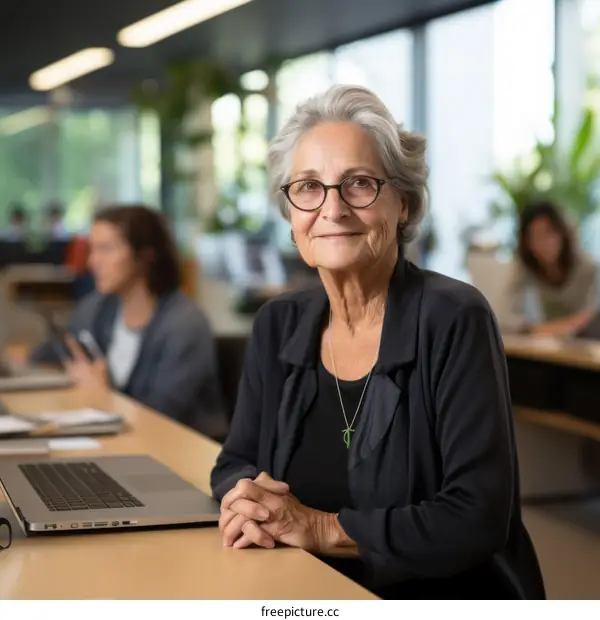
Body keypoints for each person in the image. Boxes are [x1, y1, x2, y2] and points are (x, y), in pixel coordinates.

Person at [210, 85, 545, 600]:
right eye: (307, 187)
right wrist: (248, 504)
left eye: (359, 184)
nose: (332, 208)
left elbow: (474, 517)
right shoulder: (277, 323)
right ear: (291, 212)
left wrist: (320, 529)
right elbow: (234, 463)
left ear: (404, 204)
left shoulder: (454, 317)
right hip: (302, 592)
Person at [31, 204, 227, 440]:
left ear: (145, 255)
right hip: (123, 446)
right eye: (92, 249)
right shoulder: (98, 307)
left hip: (179, 454)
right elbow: (50, 352)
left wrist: (103, 394)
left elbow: (163, 418)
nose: (93, 261)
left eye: (106, 249)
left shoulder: (184, 323)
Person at [501, 201, 598, 336]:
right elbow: (505, 316)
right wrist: (536, 329)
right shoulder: (526, 267)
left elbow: (591, 315)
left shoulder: (587, 267)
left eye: (549, 232)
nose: (544, 242)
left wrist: (547, 329)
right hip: (551, 344)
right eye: (534, 236)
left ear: (562, 233)